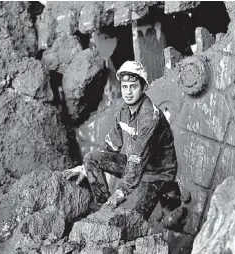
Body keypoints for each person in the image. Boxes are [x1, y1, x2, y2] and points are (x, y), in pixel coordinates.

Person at [63, 60, 179, 220]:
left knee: (135, 220)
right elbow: (111, 142)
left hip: (157, 173)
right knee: (91, 158)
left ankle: (168, 198)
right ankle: (102, 209)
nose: (128, 92)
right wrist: (84, 168)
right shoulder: (123, 110)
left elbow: (137, 159)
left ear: (144, 87)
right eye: (125, 87)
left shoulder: (149, 117)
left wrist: (121, 192)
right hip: (135, 165)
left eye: (133, 86)